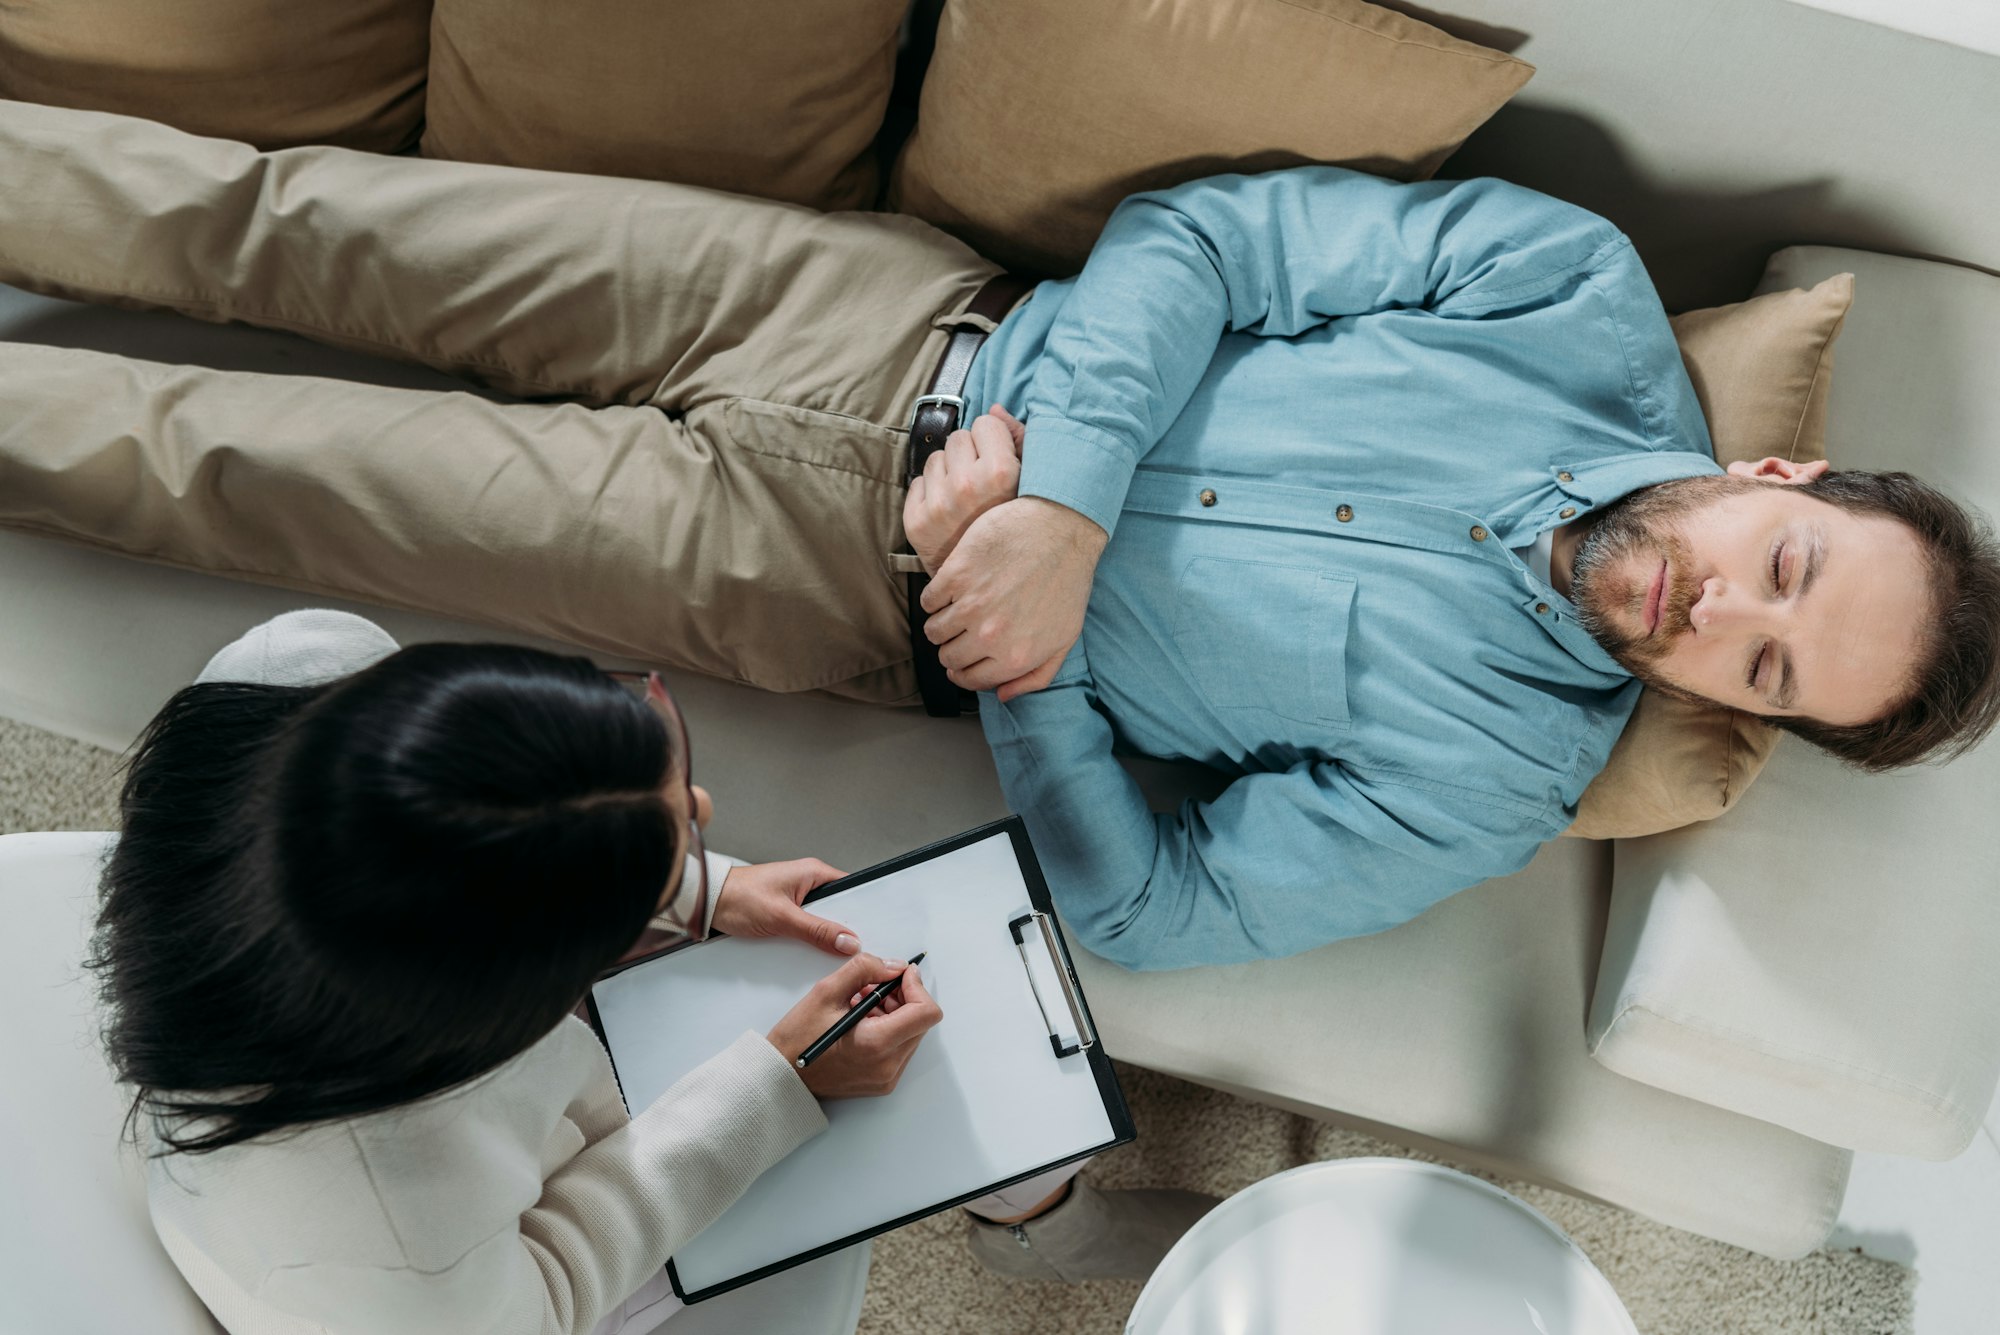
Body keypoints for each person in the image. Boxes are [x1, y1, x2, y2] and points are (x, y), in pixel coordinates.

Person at [4, 101, 1999, 970]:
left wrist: (1018, 653)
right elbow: (1212, 239)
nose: (1707, 612)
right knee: (285, 227)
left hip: (796, 574)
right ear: (1784, 483)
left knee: (233, 470)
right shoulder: (1568, 295)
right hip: (859, 311)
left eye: (1753, 670)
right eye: (1781, 578)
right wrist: (1057, 501)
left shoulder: (1486, 784)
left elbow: (1156, 909)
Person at [97, 608, 947, 1335]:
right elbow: (550, 1286)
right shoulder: (398, 1260)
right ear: (522, 997)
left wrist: (696, 882)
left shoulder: (301, 667)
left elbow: (479, 827)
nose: (702, 809)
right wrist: (779, 1083)